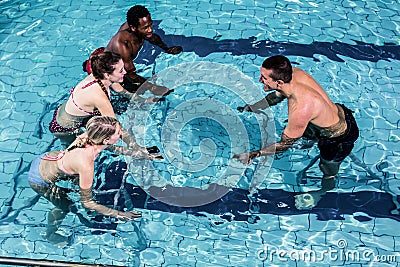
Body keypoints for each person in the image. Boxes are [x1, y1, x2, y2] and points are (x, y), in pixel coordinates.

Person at [30, 116, 158, 245]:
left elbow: (110, 147)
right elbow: (87, 203)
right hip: (39, 179)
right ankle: (50, 234)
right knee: (65, 207)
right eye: (118, 133)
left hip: (47, 159)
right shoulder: (86, 165)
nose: (121, 134)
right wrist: (119, 214)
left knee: (78, 183)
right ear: (107, 139)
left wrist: (140, 154)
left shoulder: (91, 135)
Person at [234, 55, 359, 183]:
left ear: (279, 82)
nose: (260, 80)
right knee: (302, 132)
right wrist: (251, 107)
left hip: (338, 139)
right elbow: (275, 97)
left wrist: (254, 154)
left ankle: (324, 190)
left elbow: (283, 146)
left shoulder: (300, 109)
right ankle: (311, 140)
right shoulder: (294, 74)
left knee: (326, 168)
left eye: (264, 78)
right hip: (341, 113)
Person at [49, 51, 158, 155]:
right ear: (107, 75)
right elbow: (116, 127)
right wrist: (138, 148)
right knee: (91, 148)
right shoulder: (99, 97)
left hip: (74, 113)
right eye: (120, 71)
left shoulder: (102, 76)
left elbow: (122, 91)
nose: (125, 72)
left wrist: (143, 100)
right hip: (65, 127)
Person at [104, 5, 182, 95]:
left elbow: (152, 38)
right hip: (108, 71)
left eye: (151, 25)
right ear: (133, 28)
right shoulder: (122, 44)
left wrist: (167, 49)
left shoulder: (139, 28)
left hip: (120, 63)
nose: (150, 29)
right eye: (146, 28)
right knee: (136, 93)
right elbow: (131, 74)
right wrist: (153, 88)